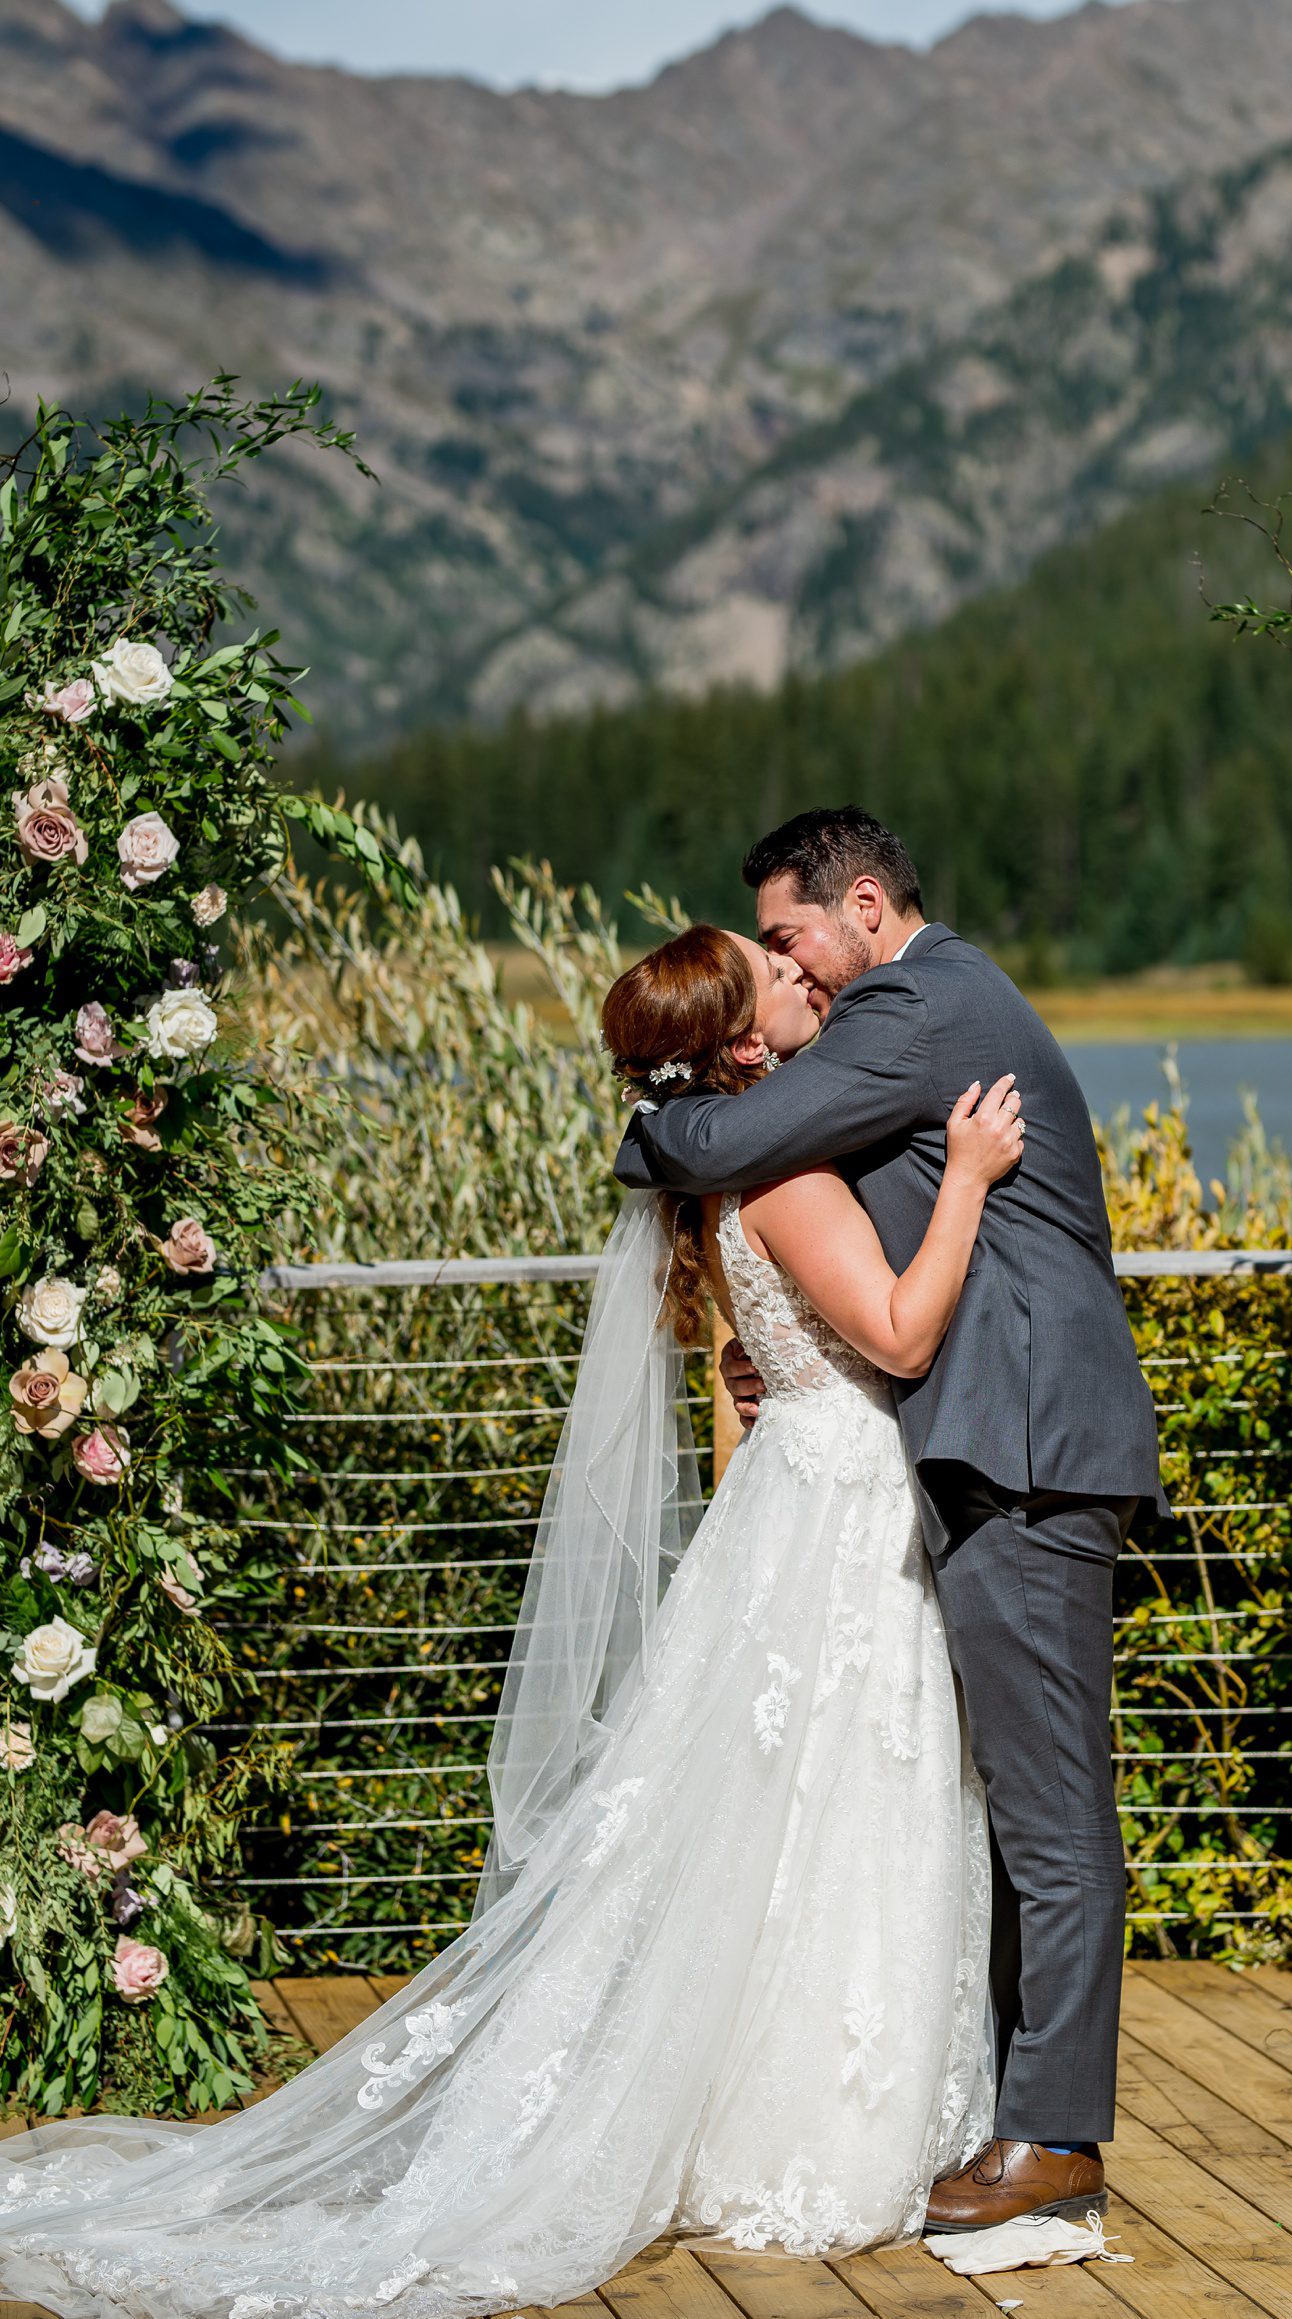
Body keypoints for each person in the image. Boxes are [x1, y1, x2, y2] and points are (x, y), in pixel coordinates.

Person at [0, 922, 1026, 2319]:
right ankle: (818, 2138)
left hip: (797, 1496)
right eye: (776, 972)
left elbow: (781, 1350)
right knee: (847, 1799)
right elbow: (900, 1336)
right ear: (738, 1040)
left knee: (786, 1814)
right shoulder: (781, 1166)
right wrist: (966, 1179)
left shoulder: (720, 1171)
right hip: (842, 1514)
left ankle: (762, 2112)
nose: (804, 978)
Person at [616, 808, 1170, 2233]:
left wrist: (647, 1120)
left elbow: (740, 1136)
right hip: (988, 1443)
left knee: (1049, 1813)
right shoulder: (935, 999)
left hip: (1025, 1444)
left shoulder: (913, 1004)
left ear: (864, 906)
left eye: (793, 933)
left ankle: (1053, 2138)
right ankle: (1010, 2109)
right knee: (1006, 1808)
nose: (795, 964)